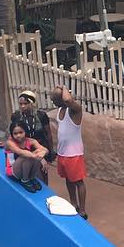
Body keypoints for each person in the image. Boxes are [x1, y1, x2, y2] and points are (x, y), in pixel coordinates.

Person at [51, 86, 87, 219]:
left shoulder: (75, 111)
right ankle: (73, 204)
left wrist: (64, 87)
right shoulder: (61, 109)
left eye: (55, 98)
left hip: (74, 154)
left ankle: (82, 210)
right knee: (68, 179)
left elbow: (68, 100)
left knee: (78, 182)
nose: (53, 101)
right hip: (63, 153)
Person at [10, 90, 53, 183]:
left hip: (40, 148)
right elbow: (12, 133)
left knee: (43, 176)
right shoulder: (16, 116)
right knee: (28, 175)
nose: (22, 106)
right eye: (20, 104)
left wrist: (49, 154)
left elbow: (48, 135)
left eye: (25, 103)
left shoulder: (41, 115)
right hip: (25, 150)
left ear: (32, 103)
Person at [4, 123, 49, 192]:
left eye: (21, 132)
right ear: (12, 134)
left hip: (25, 170)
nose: (18, 135)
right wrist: (36, 156)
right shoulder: (10, 143)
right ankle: (25, 180)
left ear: (25, 132)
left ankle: (31, 177)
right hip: (13, 171)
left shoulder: (31, 141)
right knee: (28, 156)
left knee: (37, 152)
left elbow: (44, 149)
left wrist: (43, 153)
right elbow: (20, 152)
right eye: (15, 133)